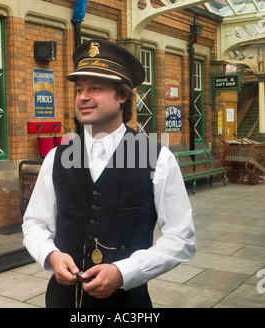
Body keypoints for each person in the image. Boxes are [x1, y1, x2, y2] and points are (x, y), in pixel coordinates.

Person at [22, 39, 196, 308]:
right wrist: (51, 255)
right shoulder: (58, 157)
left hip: (127, 304)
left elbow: (181, 238)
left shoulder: (158, 159)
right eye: (79, 89)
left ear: (122, 96)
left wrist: (124, 272)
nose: (83, 96)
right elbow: (35, 222)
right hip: (62, 301)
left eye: (96, 88)